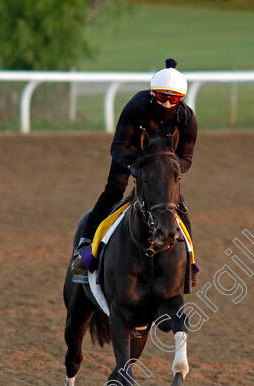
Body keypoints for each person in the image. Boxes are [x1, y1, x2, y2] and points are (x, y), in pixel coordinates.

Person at [70, 58, 198, 279]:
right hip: (131, 157)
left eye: (173, 99)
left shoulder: (187, 119)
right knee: (113, 193)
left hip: (163, 166)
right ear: (152, 93)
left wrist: (169, 168)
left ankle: (189, 263)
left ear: (181, 99)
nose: (167, 104)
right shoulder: (136, 107)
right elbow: (118, 147)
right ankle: (85, 251)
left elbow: (186, 158)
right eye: (161, 97)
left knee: (178, 205)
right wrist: (135, 167)